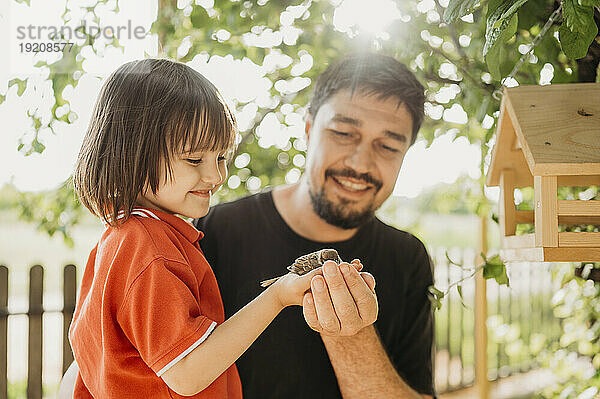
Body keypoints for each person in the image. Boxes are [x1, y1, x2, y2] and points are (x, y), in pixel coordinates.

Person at [66, 58, 374, 398]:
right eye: (195, 159)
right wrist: (277, 296)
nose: (215, 177)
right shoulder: (149, 249)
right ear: (133, 153)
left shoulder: (125, 238)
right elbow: (186, 372)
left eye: (221, 157)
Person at [194, 53, 435, 398]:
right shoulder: (216, 230)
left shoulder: (408, 258)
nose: (360, 163)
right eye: (343, 133)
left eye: (388, 146)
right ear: (308, 129)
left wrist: (350, 334)